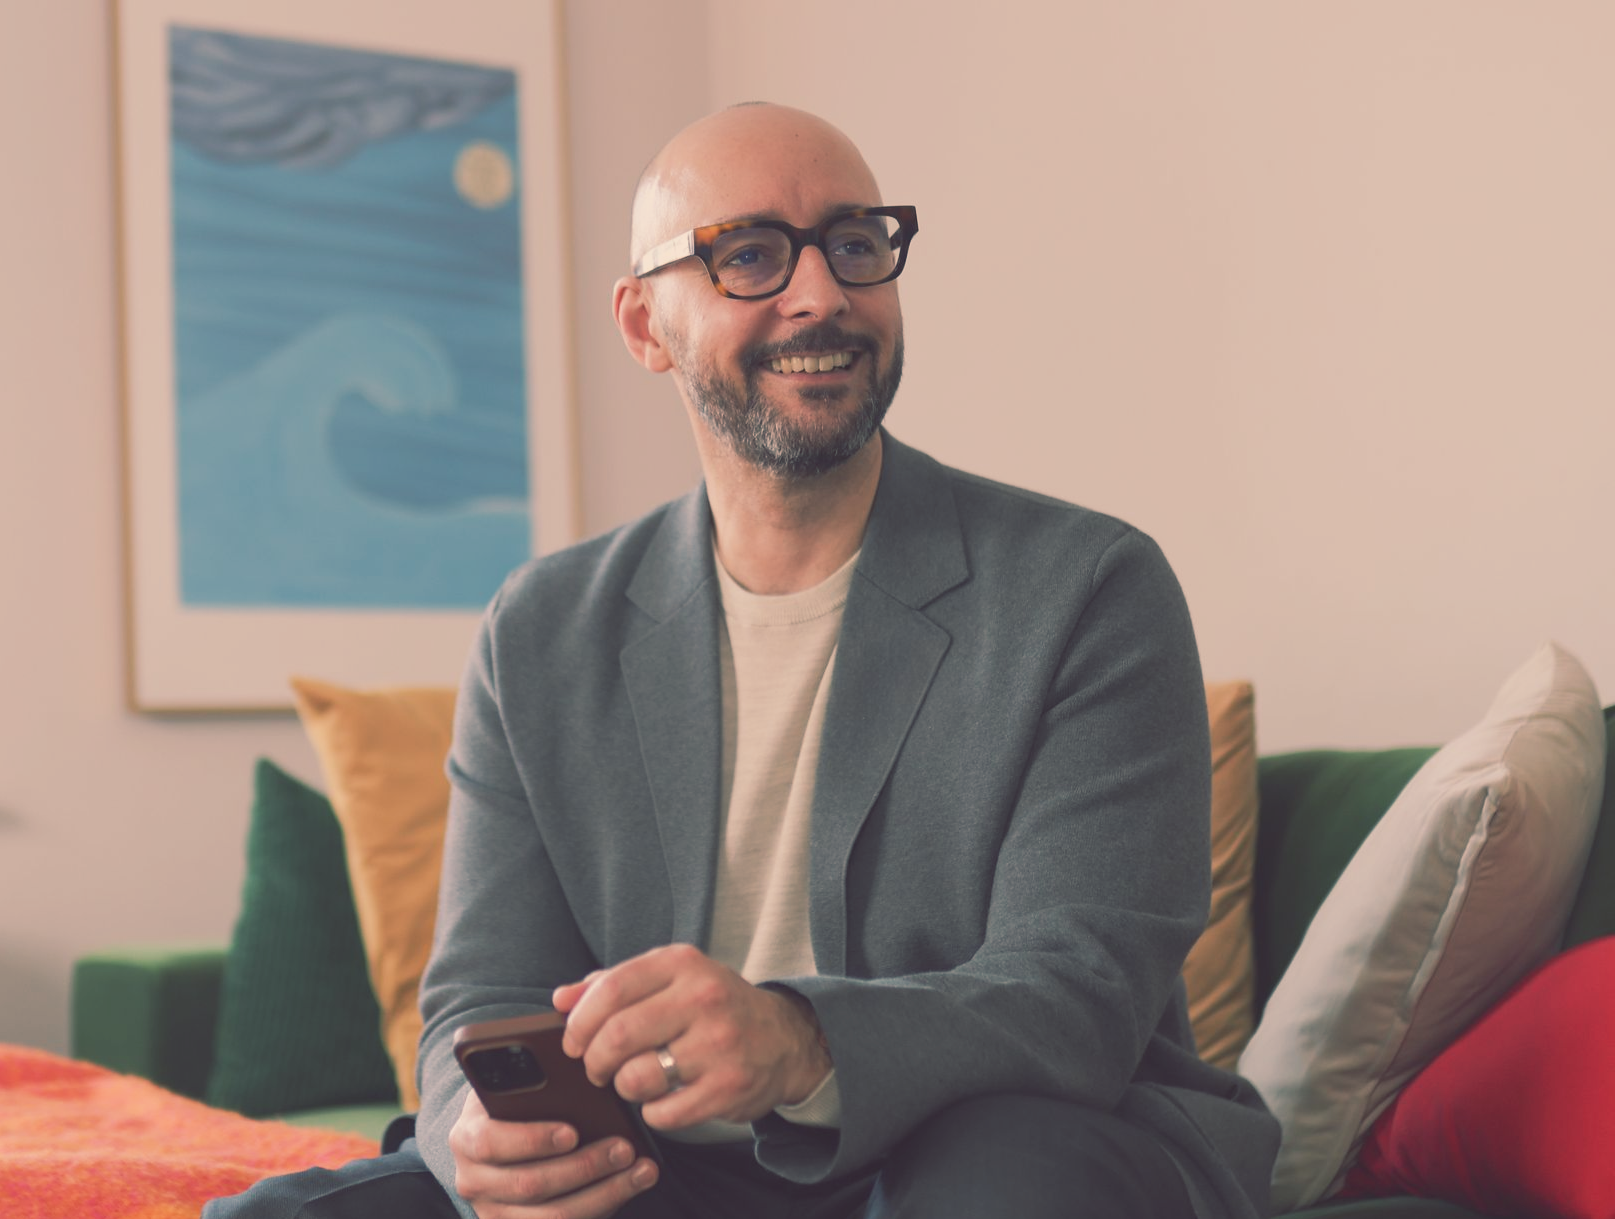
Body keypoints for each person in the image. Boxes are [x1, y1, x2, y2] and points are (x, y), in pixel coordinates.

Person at [207, 102, 1279, 1219]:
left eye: (854, 244)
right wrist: (472, 1137)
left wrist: (798, 1039)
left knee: (1002, 1179)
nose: (820, 293)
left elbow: (1080, 994)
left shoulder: (1089, 585)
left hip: (998, 1140)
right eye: (751, 255)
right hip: (666, 1171)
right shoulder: (540, 628)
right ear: (641, 324)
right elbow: (481, 995)